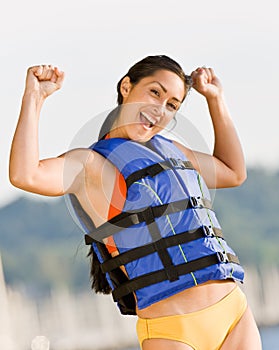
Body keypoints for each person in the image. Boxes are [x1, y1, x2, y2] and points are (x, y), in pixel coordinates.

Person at [9, 55, 262, 350]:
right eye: (154, 92)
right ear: (126, 87)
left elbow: (233, 171)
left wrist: (215, 99)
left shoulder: (173, 151)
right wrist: (34, 98)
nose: (160, 108)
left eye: (172, 105)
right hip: (172, 330)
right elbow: (24, 175)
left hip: (233, 313)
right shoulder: (90, 165)